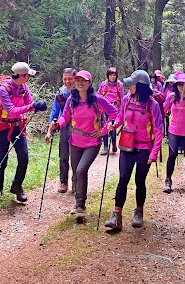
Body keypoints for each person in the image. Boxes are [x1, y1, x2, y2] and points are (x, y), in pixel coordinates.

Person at [51, 71, 118, 223]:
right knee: (76, 172)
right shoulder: (71, 100)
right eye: (78, 80)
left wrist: (104, 131)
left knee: (81, 169)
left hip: (92, 143)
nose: (80, 83)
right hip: (75, 141)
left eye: (84, 80)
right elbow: (65, 116)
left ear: (89, 83)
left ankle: (80, 206)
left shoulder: (97, 100)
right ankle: (79, 204)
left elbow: (115, 114)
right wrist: (58, 124)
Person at [104, 70, 163, 230]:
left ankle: (139, 211)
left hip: (145, 149)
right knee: (123, 178)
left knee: (139, 180)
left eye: (132, 83)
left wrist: (154, 153)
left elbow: (158, 130)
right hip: (127, 146)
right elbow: (119, 118)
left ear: (140, 86)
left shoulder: (153, 105)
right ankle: (116, 215)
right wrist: (112, 125)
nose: (129, 85)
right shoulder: (126, 99)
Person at [0, 62, 47, 202]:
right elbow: (10, 111)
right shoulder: (3, 90)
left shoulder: (24, 87)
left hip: (18, 126)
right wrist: (31, 107)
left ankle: (17, 186)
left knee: (24, 158)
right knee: (2, 160)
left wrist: (38, 106)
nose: (29, 77)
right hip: (4, 127)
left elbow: (30, 104)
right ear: (22, 76)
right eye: (28, 75)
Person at [45, 67, 76, 193]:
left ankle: (76, 181)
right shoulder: (60, 93)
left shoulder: (80, 92)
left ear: (75, 78)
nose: (67, 81)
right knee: (63, 154)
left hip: (79, 125)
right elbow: (54, 113)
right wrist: (49, 131)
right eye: (65, 79)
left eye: (70, 78)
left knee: (76, 155)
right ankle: (63, 182)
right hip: (64, 125)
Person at [97, 66, 124, 156]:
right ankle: (105, 147)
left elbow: (122, 97)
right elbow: (98, 96)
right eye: (111, 75)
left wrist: (121, 110)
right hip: (104, 108)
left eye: (114, 75)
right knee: (105, 125)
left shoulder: (119, 85)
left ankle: (113, 143)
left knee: (112, 126)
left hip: (115, 109)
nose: (112, 77)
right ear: (107, 76)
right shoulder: (103, 84)